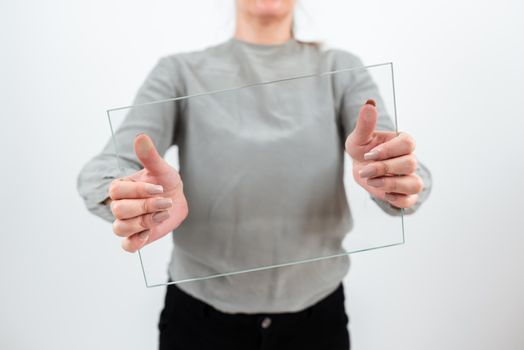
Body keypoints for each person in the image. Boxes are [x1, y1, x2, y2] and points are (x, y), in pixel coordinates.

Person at [78, 0, 431, 349]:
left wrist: (391, 174)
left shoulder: (341, 68)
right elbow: (104, 169)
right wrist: (131, 197)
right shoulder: (179, 71)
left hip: (317, 319)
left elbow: (409, 167)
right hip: (198, 321)